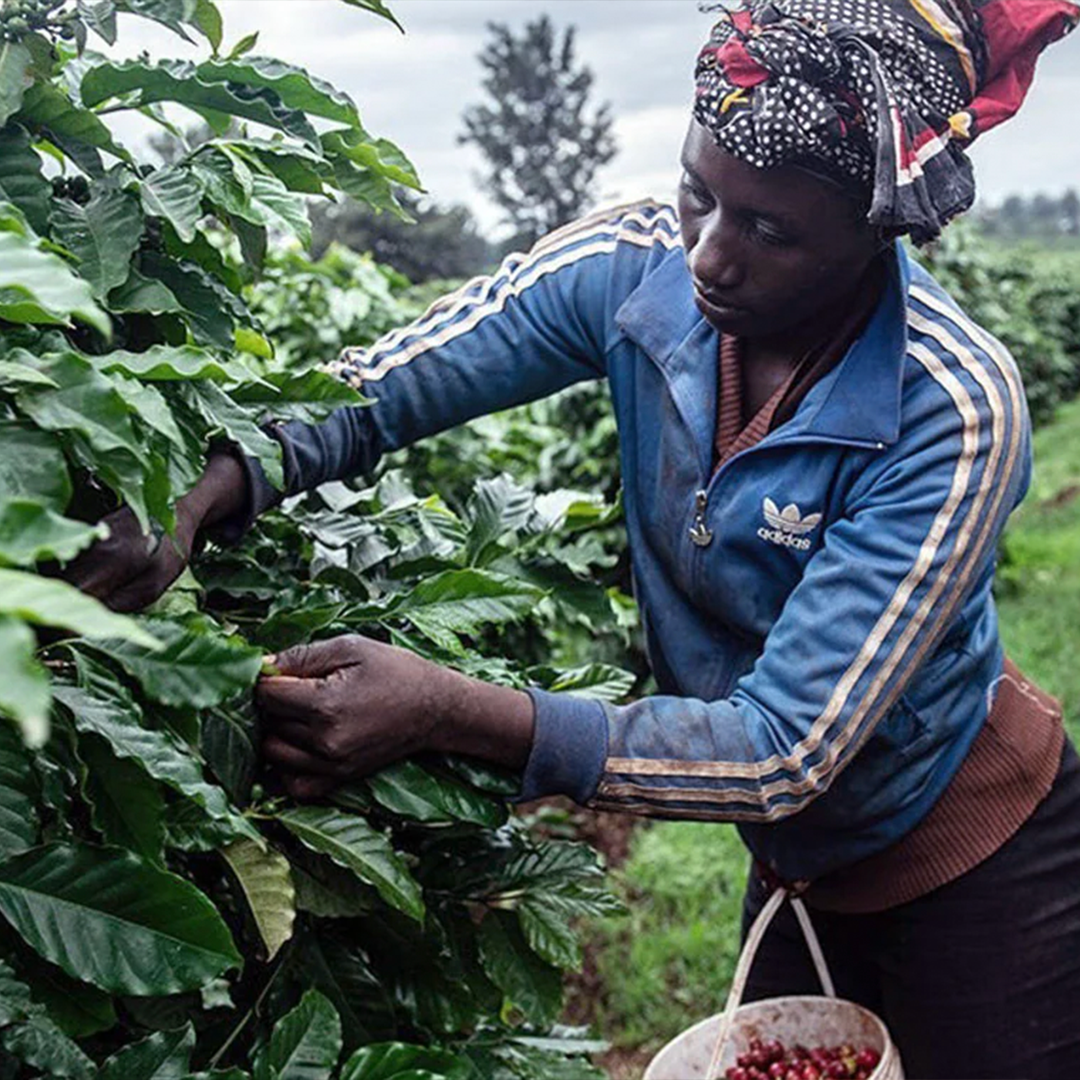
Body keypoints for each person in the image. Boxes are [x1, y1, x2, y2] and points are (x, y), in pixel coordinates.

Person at [68, 0, 1080, 1075]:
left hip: (976, 859)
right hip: (799, 870)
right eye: (698, 192)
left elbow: (785, 749)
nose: (709, 254)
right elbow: (384, 387)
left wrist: (454, 712)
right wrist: (201, 484)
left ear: (879, 234)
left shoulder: (950, 406)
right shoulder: (633, 264)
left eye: (772, 231)